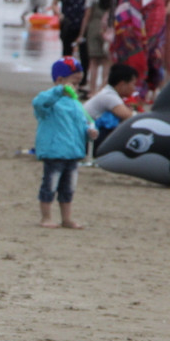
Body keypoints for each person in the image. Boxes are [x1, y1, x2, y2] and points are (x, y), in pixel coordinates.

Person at [33, 57, 97, 229]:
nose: (75, 88)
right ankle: (45, 217)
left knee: (68, 188)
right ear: (60, 81)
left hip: (73, 152)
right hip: (55, 151)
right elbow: (38, 103)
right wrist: (60, 91)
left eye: (77, 84)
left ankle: (66, 218)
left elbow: (82, 123)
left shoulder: (76, 104)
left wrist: (89, 132)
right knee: (50, 185)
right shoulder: (51, 102)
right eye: (72, 83)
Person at [112, 0, 166, 101]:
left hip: (149, 54)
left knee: (140, 92)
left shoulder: (159, 3)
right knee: (123, 90)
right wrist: (136, 41)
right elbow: (120, 23)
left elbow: (159, 32)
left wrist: (151, 47)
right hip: (128, 52)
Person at [50, 0, 93, 91]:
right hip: (68, 24)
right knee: (67, 53)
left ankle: (82, 81)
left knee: (85, 55)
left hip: (84, 25)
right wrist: (59, 14)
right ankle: (65, 80)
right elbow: (54, 3)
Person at [84, 62, 138, 153]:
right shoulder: (109, 96)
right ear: (122, 84)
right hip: (87, 138)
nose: (134, 88)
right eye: (133, 84)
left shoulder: (108, 92)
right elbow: (129, 116)